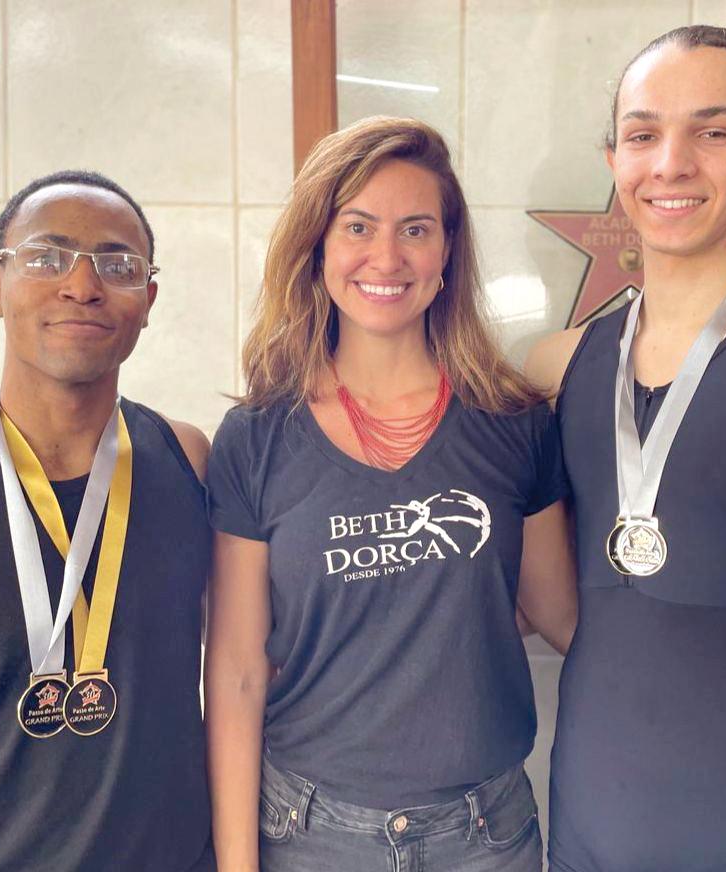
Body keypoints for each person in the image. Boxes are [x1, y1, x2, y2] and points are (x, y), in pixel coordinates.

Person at [205, 117, 576, 871]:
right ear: (318, 249)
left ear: (447, 253)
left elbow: (562, 615)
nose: (387, 256)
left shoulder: (513, 424)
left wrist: (722, 683)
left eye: (415, 229)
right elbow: (239, 670)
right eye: (359, 227)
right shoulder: (256, 437)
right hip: (306, 831)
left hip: (485, 835)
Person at [526, 25, 726, 871]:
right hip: (584, 828)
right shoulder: (557, 367)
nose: (672, 163)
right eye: (645, 134)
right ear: (615, 156)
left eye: (715, 132)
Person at [0, 170, 215, 871]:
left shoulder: (189, 459)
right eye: (46, 256)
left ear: (148, 300)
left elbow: (248, 663)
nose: (81, 284)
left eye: (117, 265)